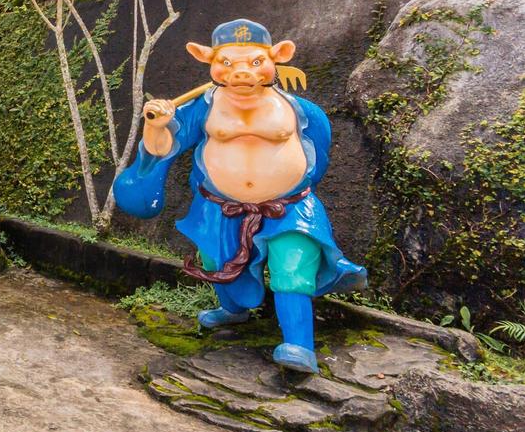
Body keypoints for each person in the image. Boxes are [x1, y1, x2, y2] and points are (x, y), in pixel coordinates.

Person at [114, 19, 367, 373]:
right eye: (229, 63)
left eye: (254, 62)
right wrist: (156, 124)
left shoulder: (298, 110)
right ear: (210, 62)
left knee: (292, 268)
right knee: (218, 260)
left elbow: (319, 151)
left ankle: (299, 346)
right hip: (221, 207)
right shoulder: (203, 106)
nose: (242, 73)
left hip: (289, 208)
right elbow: (164, 147)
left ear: (277, 58)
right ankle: (233, 310)